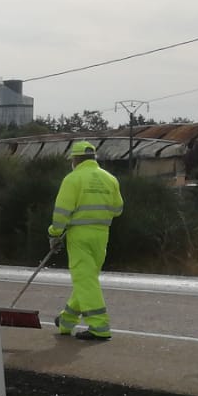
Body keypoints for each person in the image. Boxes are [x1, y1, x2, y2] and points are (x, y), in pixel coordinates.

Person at [48, 140, 124, 340]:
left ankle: (99, 326)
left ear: (75, 159)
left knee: (85, 279)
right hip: (102, 234)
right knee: (87, 279)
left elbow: (61, 212)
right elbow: (118, 210)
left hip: (79, 235)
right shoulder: (110, 179)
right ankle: (66, 321)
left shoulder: (73, 179)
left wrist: (55, 233)